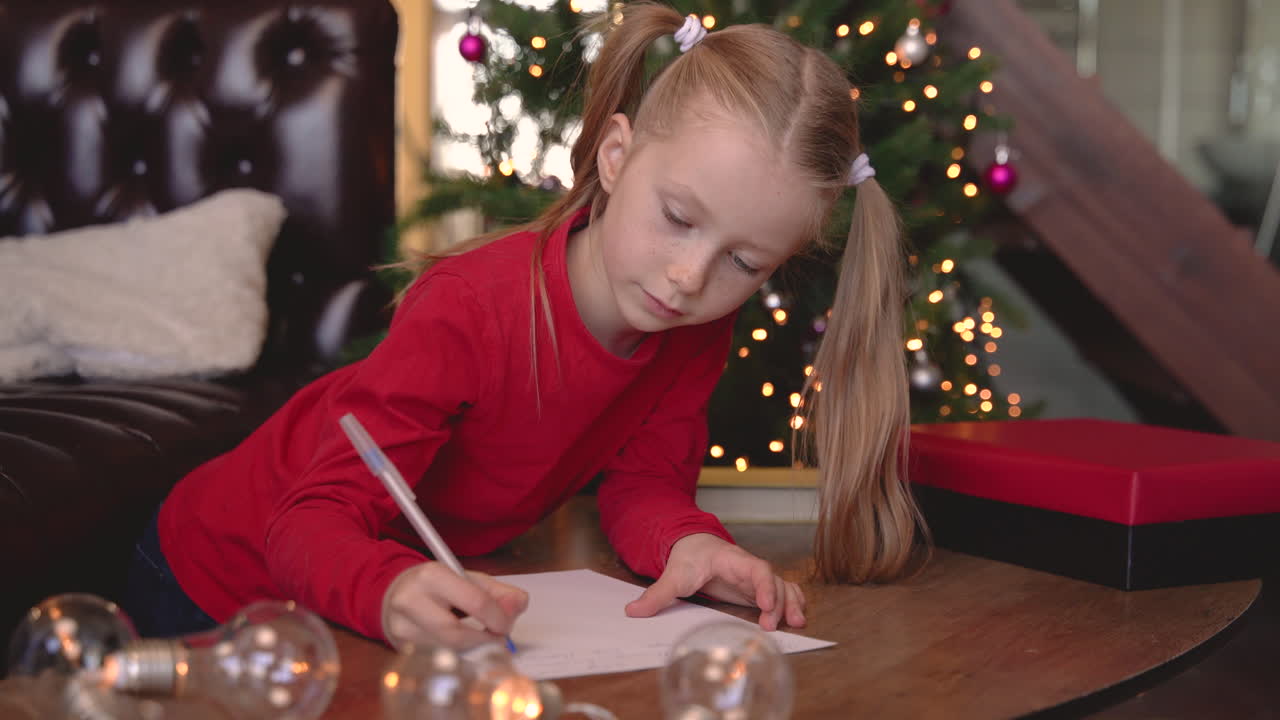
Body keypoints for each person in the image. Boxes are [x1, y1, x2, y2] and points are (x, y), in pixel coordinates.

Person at [122, 1, 927, 650]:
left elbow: (645, 485)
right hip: (219, 573)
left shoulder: (690, 329)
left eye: (744, 264)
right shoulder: (469, 308)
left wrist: (690, 545)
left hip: (385, 596)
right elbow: (306, 523)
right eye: (678, 217)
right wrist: (392, 587)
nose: (690, 278)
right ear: (615, 156)